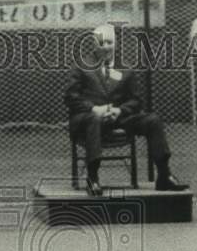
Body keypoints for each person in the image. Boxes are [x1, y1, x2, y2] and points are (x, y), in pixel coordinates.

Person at [65, 23, 188, 197]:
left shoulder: (126, 69)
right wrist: (94, 109)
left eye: (110, 42)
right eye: (102, 43)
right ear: (94, 44)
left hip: (118, 118)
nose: (106, 47)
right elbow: (71, 97)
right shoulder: (81, 66)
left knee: (152, 120)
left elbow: (136, 100)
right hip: (88, 119)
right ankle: (92, 178)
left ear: (115, 43)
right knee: (93, 120)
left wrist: (120, 111)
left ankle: (164, 175)